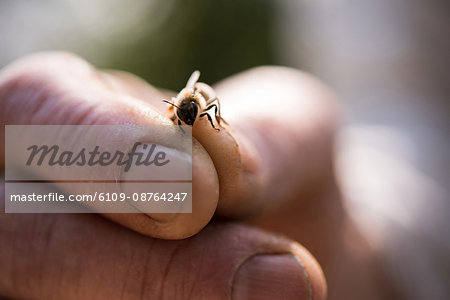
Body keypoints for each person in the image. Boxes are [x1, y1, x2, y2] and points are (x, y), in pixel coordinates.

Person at [0, 52, 393, 299]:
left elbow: (202, 103)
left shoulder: (200, 106)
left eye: (187, 116)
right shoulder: (179, 109)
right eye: (182, 116)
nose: (186, 119)